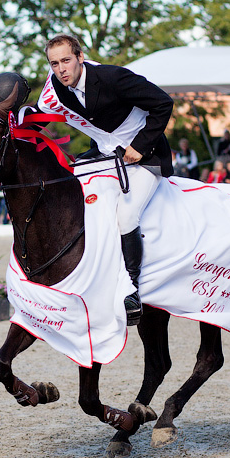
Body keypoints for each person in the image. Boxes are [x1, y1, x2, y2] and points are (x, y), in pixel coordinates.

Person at [37, 34, 174, 325]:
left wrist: (140, 145)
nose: (61, 69)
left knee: (125, 216)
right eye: (54, 64)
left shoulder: (114, 77)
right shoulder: (60, 91)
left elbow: (163, 103)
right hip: (106, 155)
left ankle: (132, 290)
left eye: (66, 60)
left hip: (145, 156)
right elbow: (41, 117)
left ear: (80, 57)